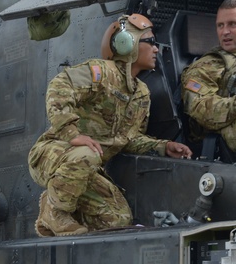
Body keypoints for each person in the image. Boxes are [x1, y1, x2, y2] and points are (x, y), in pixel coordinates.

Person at [29, 13, 192, 237]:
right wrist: (71, 133)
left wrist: (163, 146)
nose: (156, 49)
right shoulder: (102, 72)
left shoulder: (142, 93)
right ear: (127, 44)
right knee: (87, 153)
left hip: (86, 166)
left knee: (118, 219)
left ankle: (60, 206)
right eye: (151, 42)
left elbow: (128, 138)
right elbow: (60, 84)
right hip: (52, 155)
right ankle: (55, 211)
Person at [180, 0, 236, 160]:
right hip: (224, 133)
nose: (225, 32)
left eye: (233, 24)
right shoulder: (206, 66)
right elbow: (203, 111)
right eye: (220, 25)